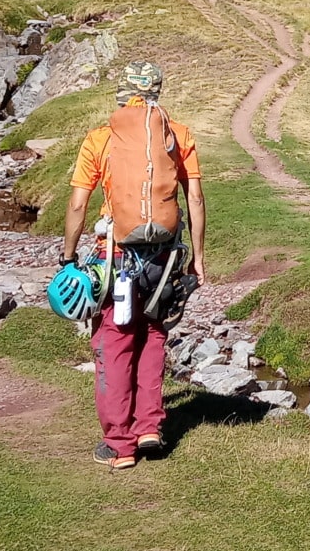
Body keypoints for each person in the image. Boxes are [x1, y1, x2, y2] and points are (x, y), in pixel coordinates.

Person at [64, 61, 206, 468]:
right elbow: (194, 200)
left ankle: (120, 444)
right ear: (158, 92)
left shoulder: (100, 139)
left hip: (116, 258)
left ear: (121, 94)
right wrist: (198, 258)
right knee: (153, 336)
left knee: (114, 340)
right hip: (165, 259)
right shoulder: (177, 135)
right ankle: (149, 427)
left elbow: (77, 204)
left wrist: (68, 257)